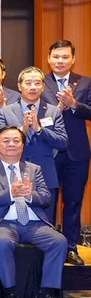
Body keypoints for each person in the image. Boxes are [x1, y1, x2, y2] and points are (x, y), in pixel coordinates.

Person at [0, 126, 72, 298]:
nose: (11, 144)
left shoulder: (34, 169)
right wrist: (10, 194)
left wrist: (30, 196)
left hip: (33, 223)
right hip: (3, 223)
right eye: (6, 141)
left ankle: (46, 294)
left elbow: (46, 198)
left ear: (22, 146)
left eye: (16, 141)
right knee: (2, 242)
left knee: (59, 241)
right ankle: (10, 294)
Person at [39, 40, 90, 266]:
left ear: (72, 59)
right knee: (47, 201)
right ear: (49, 59)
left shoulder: (85, 83)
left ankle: (70, 247)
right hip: (47, 151)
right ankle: (47, 246)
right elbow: (32, 109)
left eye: (65, 57)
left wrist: (73, 104)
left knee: (73, 202)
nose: (60, 61)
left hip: (77, 154)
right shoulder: (39, 82)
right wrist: (53, 112)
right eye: (56, 57)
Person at [0, 67, 67, 224]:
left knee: (46, 224)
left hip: (45, 175)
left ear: (42, 86)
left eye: (37, 83)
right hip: (12, 176)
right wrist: (22, 130)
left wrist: (39, 130)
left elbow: (62, 143)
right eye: (28, 83)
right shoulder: (6, 112)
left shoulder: (53, 112)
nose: (32, 87)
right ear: (19, 86)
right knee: (12, 224)